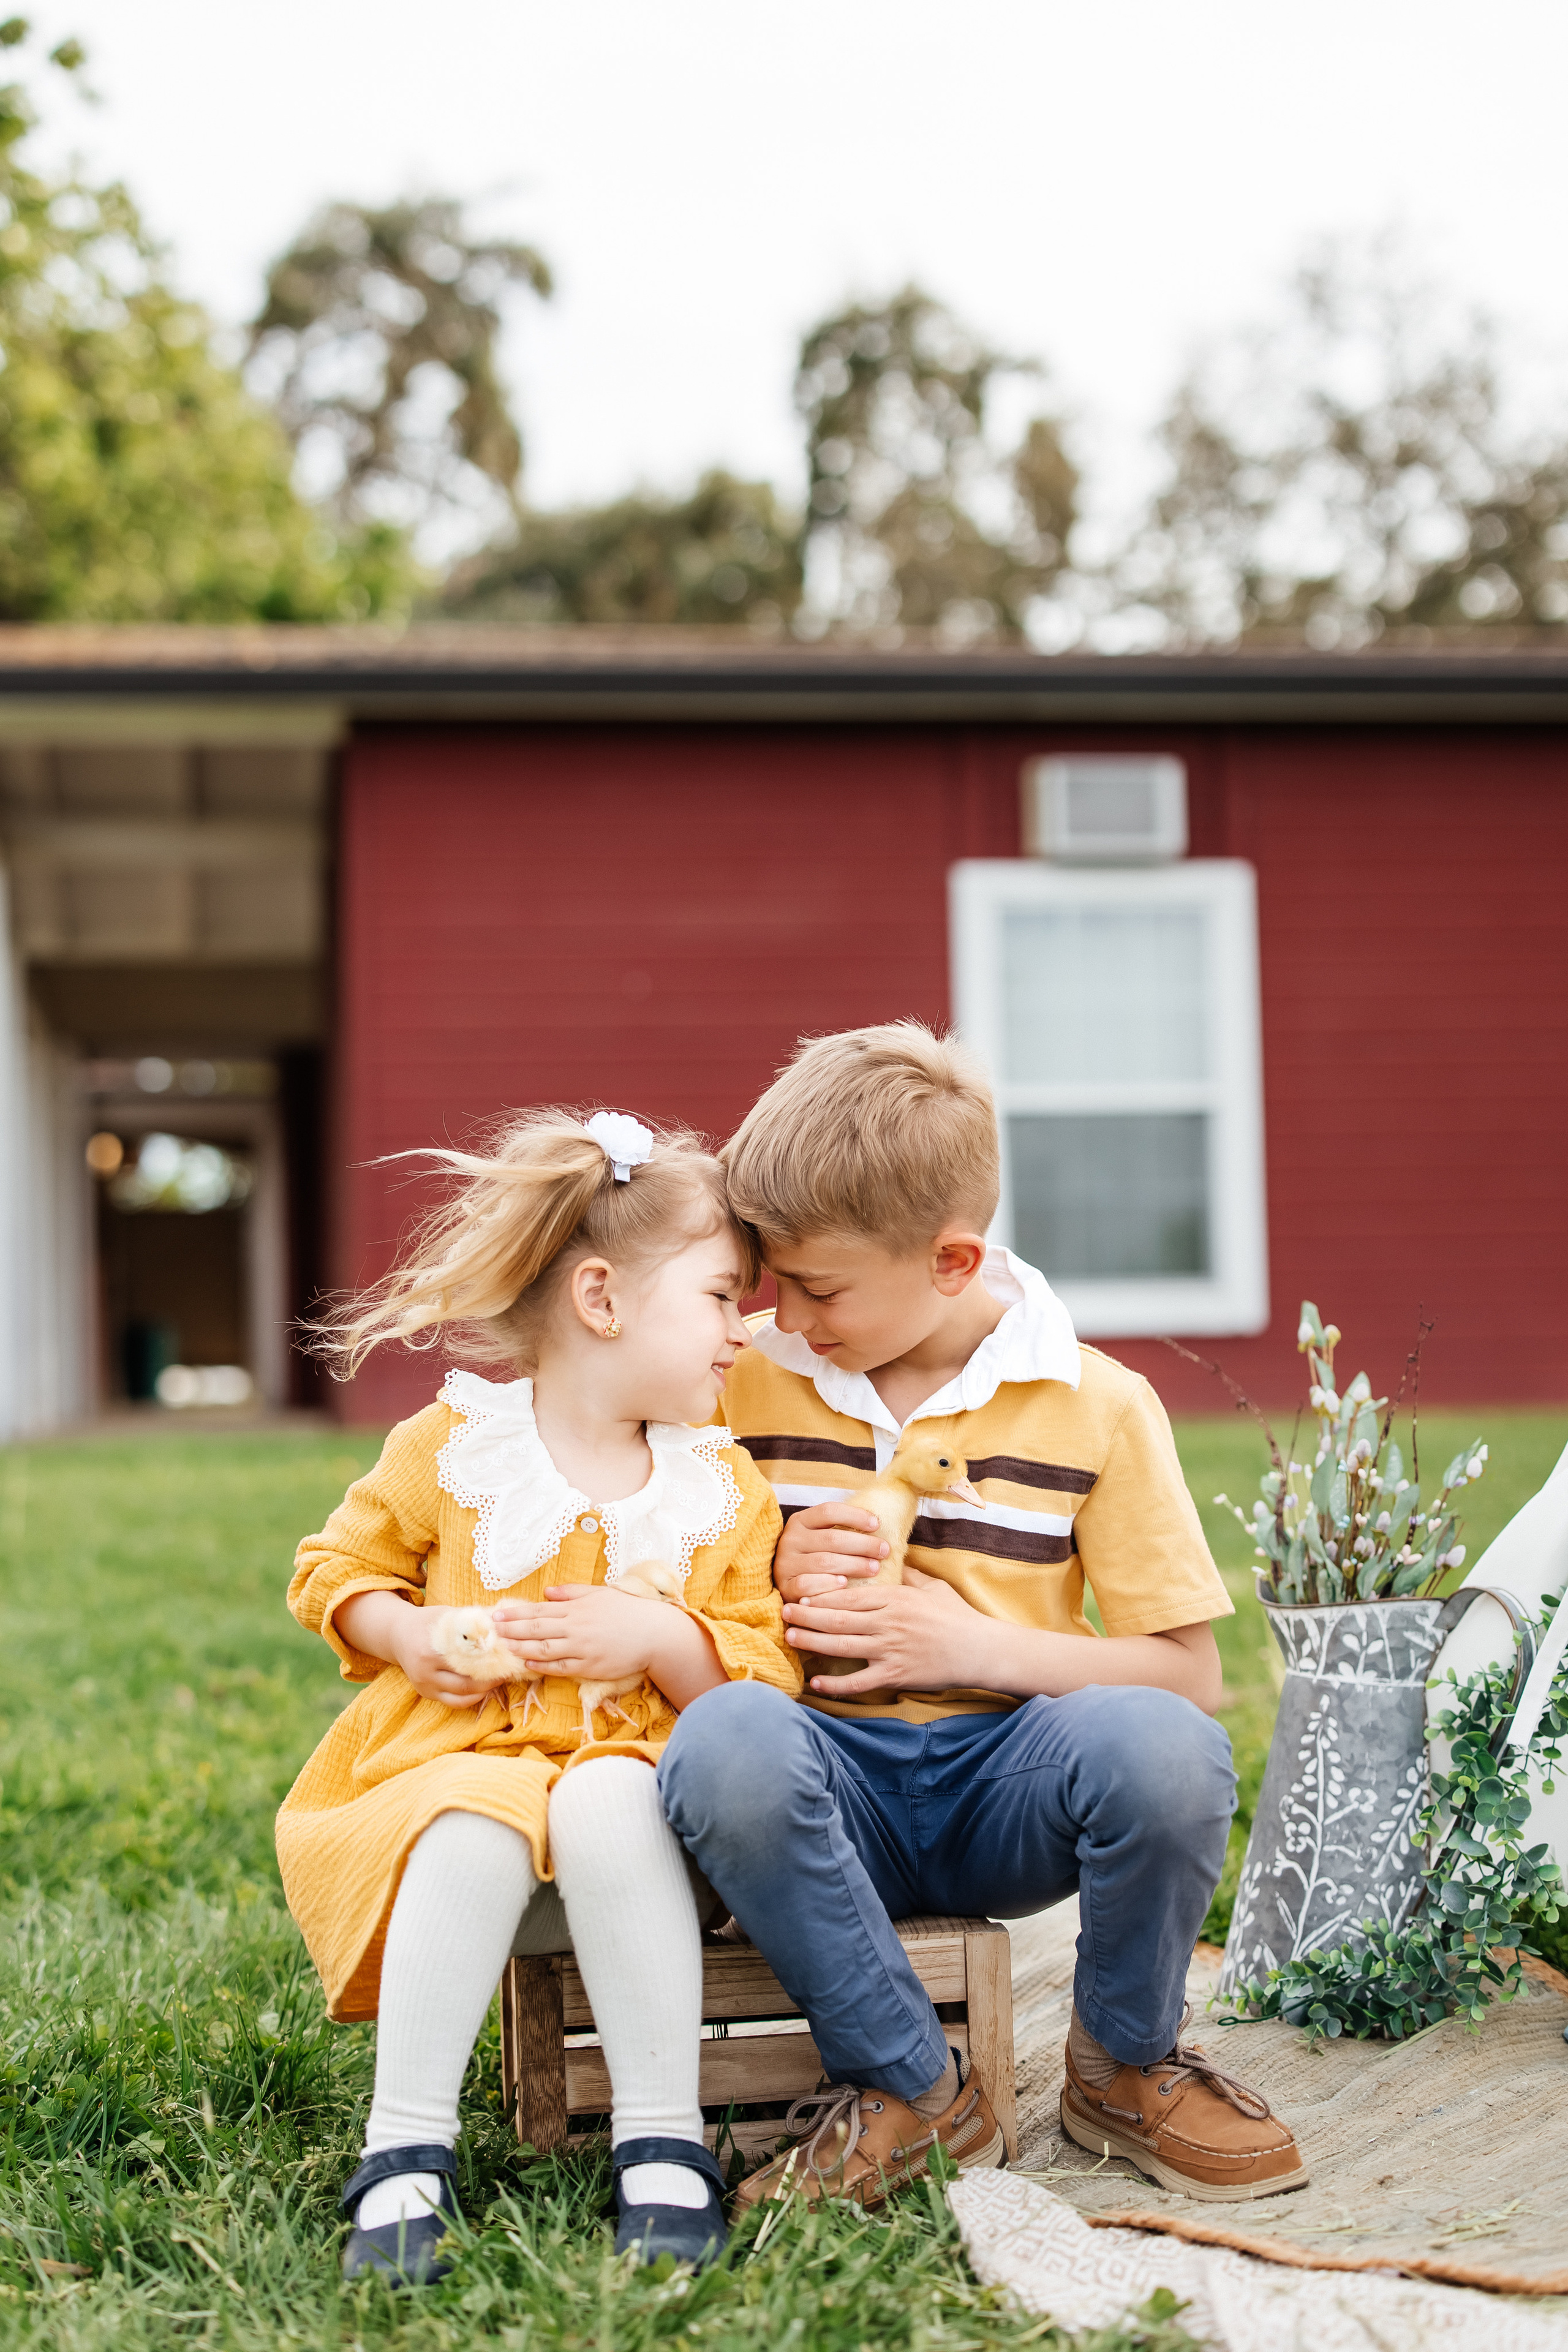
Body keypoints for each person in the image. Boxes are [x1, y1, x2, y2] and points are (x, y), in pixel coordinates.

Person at [659, 1024, 1306, 2210]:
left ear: (952, 1262)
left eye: (818, 1287)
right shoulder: (732, 1377)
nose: (780, 1315)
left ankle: (1124, 2066)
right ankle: (911, 2089)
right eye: (767, 1281)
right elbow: (645, 1569)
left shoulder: (1099, 1402)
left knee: (1165, 1749)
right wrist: (767, 1556)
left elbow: (1188, 1676)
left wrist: (975, 1648)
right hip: (822, 1786)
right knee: (722, 1740)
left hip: (1006, 1787)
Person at [278, 1111, 799, 2283]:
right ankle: (403, 2155)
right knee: (476, 1814)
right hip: (460, 1804)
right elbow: (335, 1571)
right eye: (721, 1298)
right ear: (602, 1299)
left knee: (608, 1797)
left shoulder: (723, 1487)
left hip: (640, 1841)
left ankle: (661, 2146)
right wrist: (410, 1634)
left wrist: (663, 1640)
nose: (743, 1330)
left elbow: (763, 1675)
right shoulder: (454, 1446)